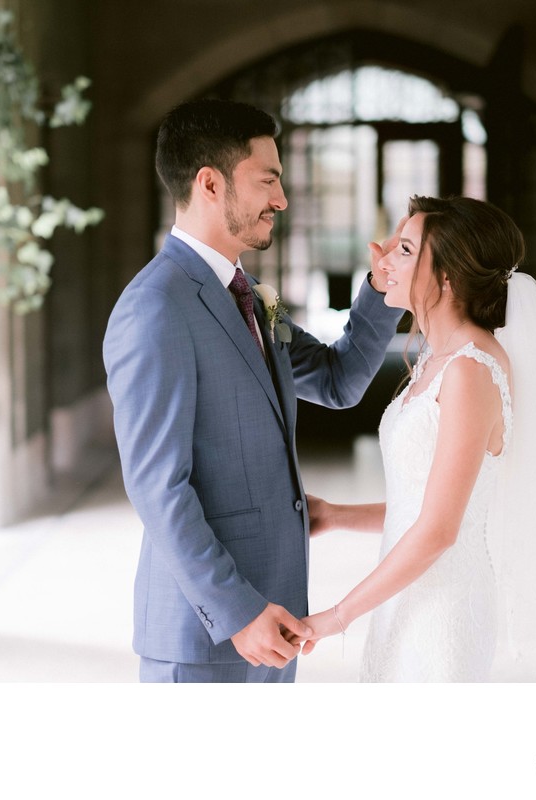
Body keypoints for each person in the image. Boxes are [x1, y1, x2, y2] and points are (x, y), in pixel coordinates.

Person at [103, 98, 403, 683]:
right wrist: (238, 612)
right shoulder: (155, 308)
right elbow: (157, 486)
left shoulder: (248, 295)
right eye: (268, 181)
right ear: (210, 184)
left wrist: (381, 287)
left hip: (273, 615)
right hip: (206, 633)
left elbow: (341, 382)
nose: (281, 200)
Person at [293, 195, 536, 682]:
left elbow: (440, 530)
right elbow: (425, 507)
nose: (384, 259)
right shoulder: (440, 357)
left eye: (405, 249)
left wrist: (335, 618)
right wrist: (334, 515)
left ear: (447, 276)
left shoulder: (470, 369)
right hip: (406, 593)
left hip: (442, 612)